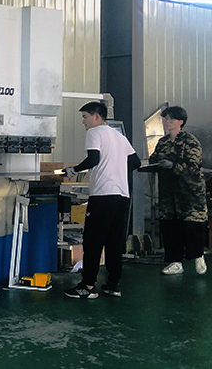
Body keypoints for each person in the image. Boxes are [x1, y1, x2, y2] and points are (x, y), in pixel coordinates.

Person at [63, 102, 140, 299]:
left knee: (93, 240)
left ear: (96, 117)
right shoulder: (119, 136)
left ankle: (87, 286)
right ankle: (113, 284)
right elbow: (135, 162)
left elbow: (93, 159)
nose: (83, 121)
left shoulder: (94, 132)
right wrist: (115, 171)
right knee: (114, 241)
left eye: (85, 117)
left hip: (103, 195)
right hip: (122, 196)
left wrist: (73, 170)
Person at [148, 106, 208, 275]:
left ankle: (198, 256)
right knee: (170, 226)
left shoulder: (191, 141)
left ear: (180, 122)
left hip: (189, 192)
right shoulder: (163, 142)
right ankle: (175, 261)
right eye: (166, 119)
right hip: (169, 193)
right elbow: (154, 159)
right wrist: (154, 164)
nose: (167, 122)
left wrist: (173, 166)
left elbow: (193, 166)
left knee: (192, 225)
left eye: (171, 119)